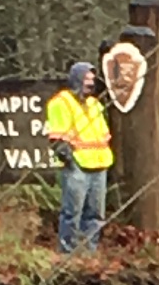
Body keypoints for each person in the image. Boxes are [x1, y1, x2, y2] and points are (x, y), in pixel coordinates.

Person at [46, 60, 113, 252]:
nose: (90, 83)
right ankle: (68, 253)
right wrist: (68, 158)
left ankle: (89, 253)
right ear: (76, 79)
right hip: (77, 164)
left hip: (100, 163)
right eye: (86, 78)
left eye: (92, 78)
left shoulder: (95, 104)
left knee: (96, 215)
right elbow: (57, 137)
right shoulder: (61, 102)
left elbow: (103, 132)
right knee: (72, 213)